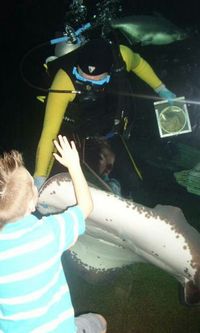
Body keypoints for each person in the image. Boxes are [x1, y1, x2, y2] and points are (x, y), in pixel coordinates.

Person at [34, 38, 176, 189]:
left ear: (110, 71)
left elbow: (139, 63)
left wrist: (161, 88)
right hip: (81, 130)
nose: (89, 86)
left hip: (113, 122)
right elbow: (49, 133)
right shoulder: (63, 81)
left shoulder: (122, 56)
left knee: (135, 181)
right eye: (82, 77)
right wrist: (40, 176)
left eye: (98, 81)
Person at [0, 135, 107, 333]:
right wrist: (74, 165)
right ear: (33, 203)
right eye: (34, 184)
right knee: (99, 322)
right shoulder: (47, 234)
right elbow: (86, 206)